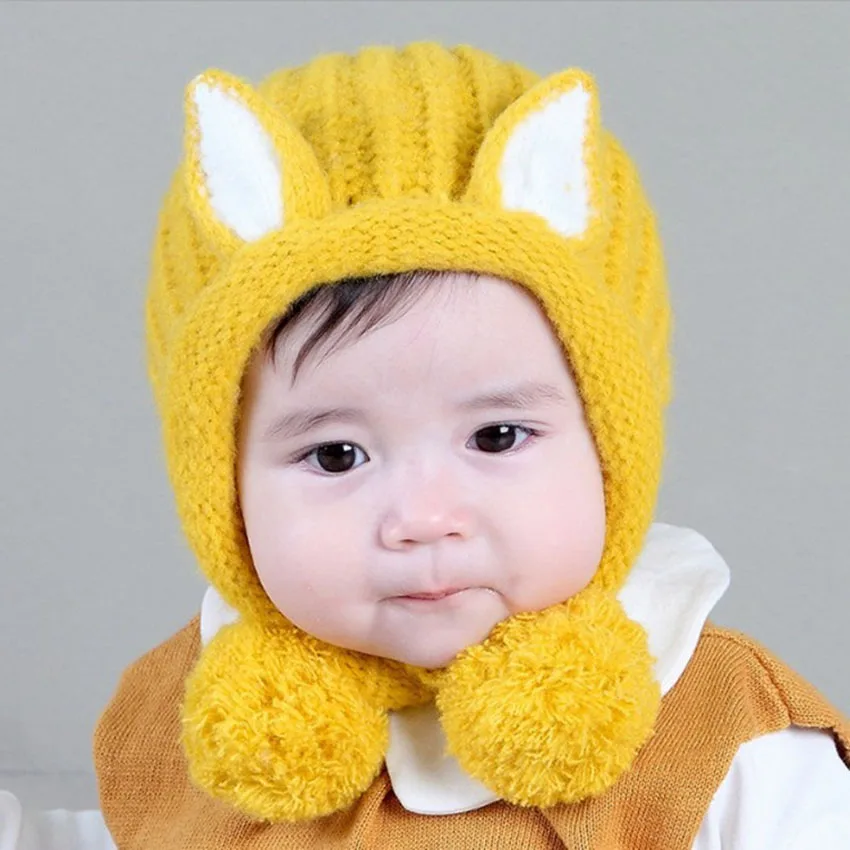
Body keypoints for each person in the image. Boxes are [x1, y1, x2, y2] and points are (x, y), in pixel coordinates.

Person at [2, 41, 848, 850]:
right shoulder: (187, 720)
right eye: (336, 456)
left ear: (611, 448)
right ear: (218, 485)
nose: (422, 518)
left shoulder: (735, 741)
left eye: (497, 436)